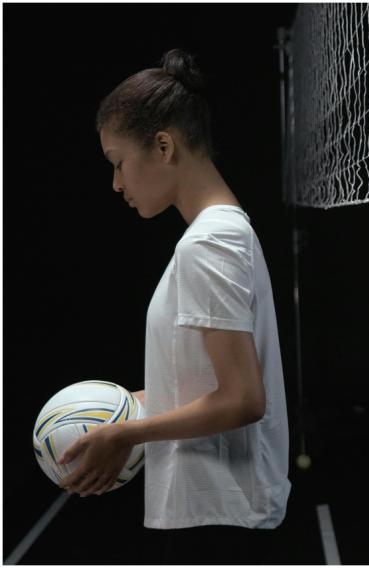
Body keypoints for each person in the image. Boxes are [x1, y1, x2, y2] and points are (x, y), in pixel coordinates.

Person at [56, 48, 291, 565]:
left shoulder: (210, 242)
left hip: (221, 520)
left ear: (163, 146)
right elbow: (210, 383)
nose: (116, 183)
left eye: (119, 163)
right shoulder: (224, 232)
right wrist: (120, 409)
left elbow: (243, 400)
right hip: (220, 512)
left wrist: (126, 433)